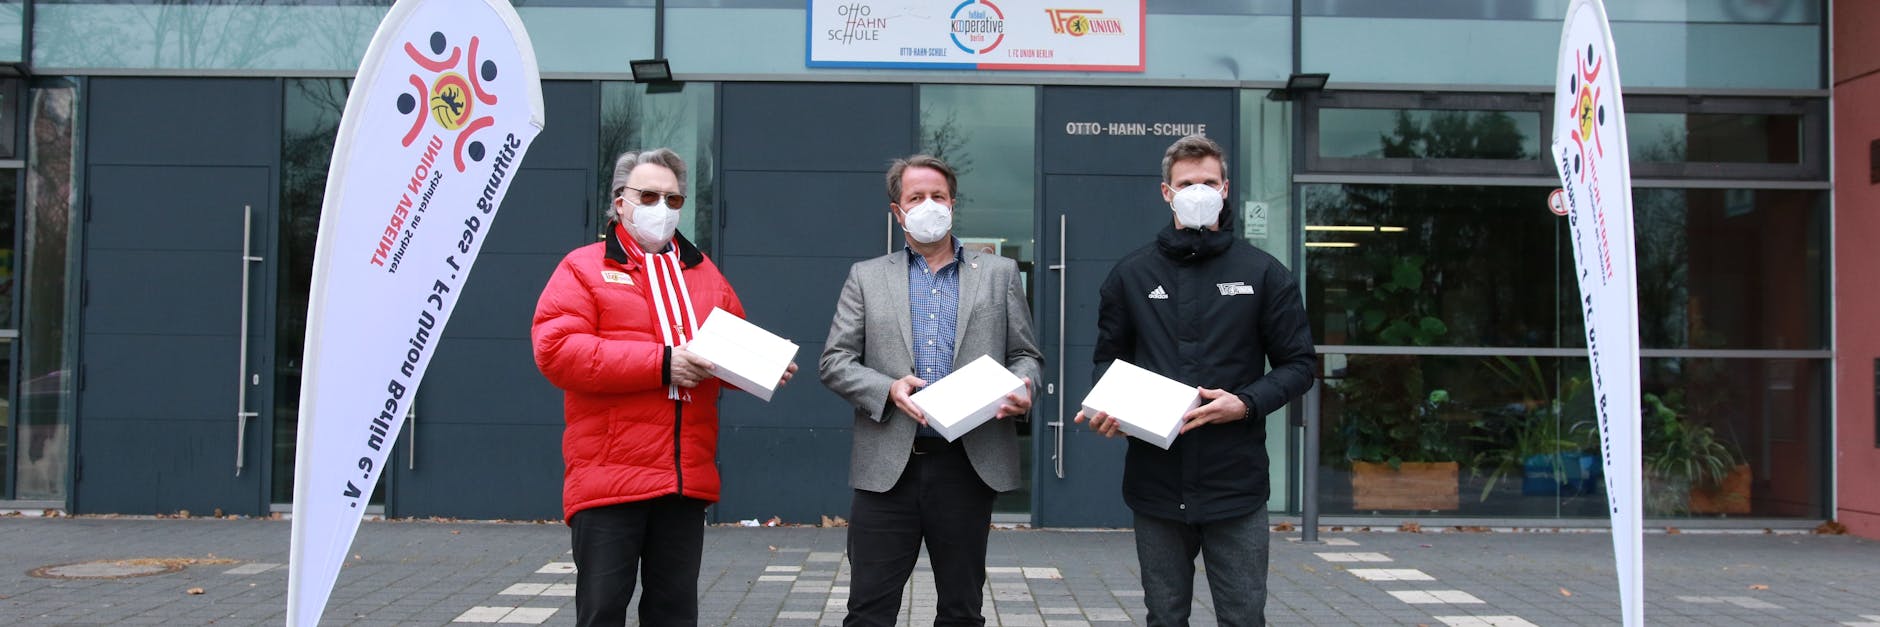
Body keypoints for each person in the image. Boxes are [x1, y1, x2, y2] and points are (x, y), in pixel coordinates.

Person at [532, 148, 796, 626]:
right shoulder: (582, 267)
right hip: (611, 477)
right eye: (648, 196)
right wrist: (662, 363)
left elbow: (724, 349)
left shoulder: (704, 273)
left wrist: (759, 368)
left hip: (682, 478)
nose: (662, 208)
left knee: (674, 613)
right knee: (602, 611)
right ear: (619, 202)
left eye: (673, 199)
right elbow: (557, 351)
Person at [1074, 134, 1316, 627]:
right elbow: (1109, 361)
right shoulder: (1131, 275)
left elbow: (1299, 365)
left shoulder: (1264, 273)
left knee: (1244, 616)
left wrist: (1245, 403)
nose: (1198, 191)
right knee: (1163, 617)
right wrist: (1111, 409)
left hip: (1237, 485)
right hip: (1156, 484)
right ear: (1167, 193)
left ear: (1225, 189)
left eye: (1208, 182)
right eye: (1187, 183)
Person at [819, 155, 1043, 627]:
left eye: (937, 197)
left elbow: (1026, 355)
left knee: (962, 610)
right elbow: (835, 362)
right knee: (868, 611)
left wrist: (1026, 388)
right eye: (915, 198)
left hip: (967, 463)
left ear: (953, 205)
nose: (928, 206)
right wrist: (888, 388)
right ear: (897, 212)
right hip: (887, 469)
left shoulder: (999, 274)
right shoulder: (867, 276)